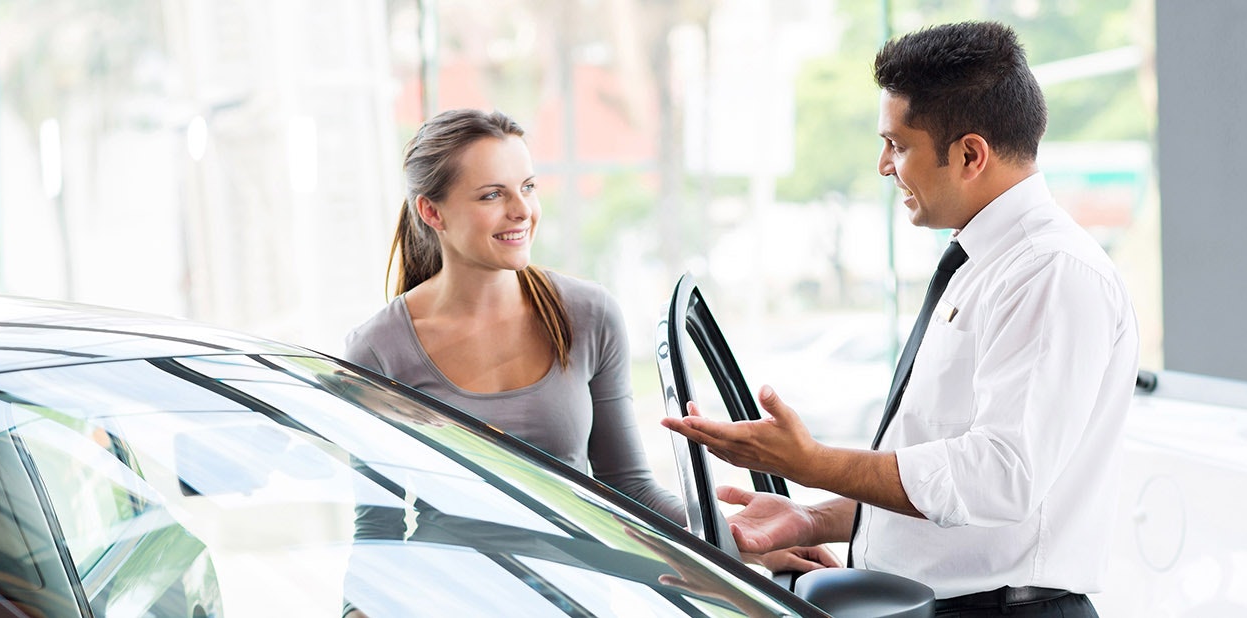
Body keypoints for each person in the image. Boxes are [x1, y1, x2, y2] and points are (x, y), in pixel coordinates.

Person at [661, 21, 1138, 618]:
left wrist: (810, 462)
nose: (885, 165)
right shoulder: (982, 261)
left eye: (899, 145)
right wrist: (815, 516)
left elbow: (999, 478)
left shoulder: (1050, 272)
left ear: (970, 154)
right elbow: (942, 478)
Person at [343, 108, 687, 523]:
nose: (522, 210)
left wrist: (734, 539)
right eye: (493, 194)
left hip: (579, 588)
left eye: (527, 187)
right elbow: (378, 526)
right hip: (451, 587)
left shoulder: (589, 315)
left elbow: (630, 490)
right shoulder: (378, 351)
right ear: (432, 212)